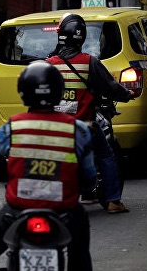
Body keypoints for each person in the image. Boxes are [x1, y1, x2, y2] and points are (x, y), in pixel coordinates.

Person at [0, 61, 95, 271]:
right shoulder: (78, 131)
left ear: (23, 93)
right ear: (59, 91)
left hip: (17, 211)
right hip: (65, 214)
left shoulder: (14, 127)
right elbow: (89, 178)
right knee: (80, 259)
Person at [45, 13, 133, 214]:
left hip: (57, 128)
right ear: (81, 37)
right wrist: (126, 94)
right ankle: (113, 201)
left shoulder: (50, 64)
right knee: (106, 156)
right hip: (85, 127)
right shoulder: (89, 62)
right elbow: (111, 87)